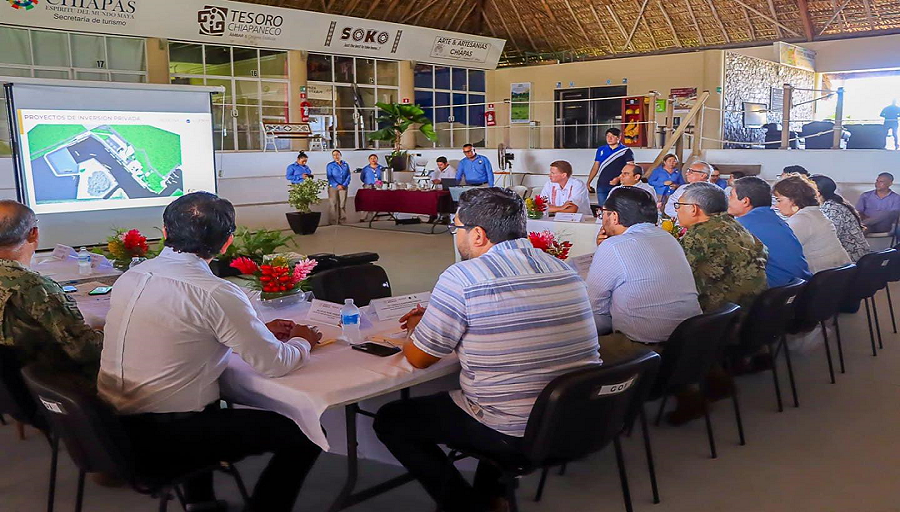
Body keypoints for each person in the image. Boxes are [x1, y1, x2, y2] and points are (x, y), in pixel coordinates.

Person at [373, 188, 600, 512]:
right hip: (577, 420)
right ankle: (494, 496)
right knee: (499, 397)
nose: (457, 237)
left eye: (457, 228)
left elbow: (419, 358)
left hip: (516, 433)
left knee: (392, 420)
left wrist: (415, 328)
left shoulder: (463, 277)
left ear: (478, 234)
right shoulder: (563, 269)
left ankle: (466, 506)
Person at [98, 192, 323, 512]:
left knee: (202, 399)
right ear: (227, 243)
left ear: (164, 232)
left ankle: (200, 501)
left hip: (111, 426)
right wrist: (303, 340)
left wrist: (254, 332)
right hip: (164, 436)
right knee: (306, 434)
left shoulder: (133, 276)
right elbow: (275, 364)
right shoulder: (216, 292)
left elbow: (183, 333)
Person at [587, 187, 702, 363]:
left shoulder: (614, 246)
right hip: (687, 344)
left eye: (603, 213)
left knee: (569, 347)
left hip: (643, 350)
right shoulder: (667, 238)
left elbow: (595, 313)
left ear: (615, 217)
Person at [0, 200, 102, 387]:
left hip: (13, 391)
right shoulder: (35, 288)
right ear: (33, 233)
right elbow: (83, 350)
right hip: (54, 388)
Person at [676, 182, 767, 312]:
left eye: (679, 205)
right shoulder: (733, 224)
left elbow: (680, 279)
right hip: (753, 309)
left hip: (724, 314)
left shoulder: (699, 234)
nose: (677, 210)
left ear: (693, 209)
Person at [728, 176, 812, 287]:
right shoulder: (775, 219)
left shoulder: (741, 226)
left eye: (731, 196)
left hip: (776, 294)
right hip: (799, 288)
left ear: (745, 201)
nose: (728, 200)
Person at [772, 176, 851, 273]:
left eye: (779, 200)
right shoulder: (815, 213)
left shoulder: (801, 219)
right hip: (839, 276)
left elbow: (778, 251)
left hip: (820, 280)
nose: (776, 205)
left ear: (794, 200)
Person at [810, 175, 870, 262]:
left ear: (817, 193)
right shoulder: (828, 204)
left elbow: (829, 238)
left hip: (851, 259)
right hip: (842, 258)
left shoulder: (833, 209)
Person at [586, 128, 635, 206]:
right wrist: (588, 181)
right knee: (603, 208)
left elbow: (630, 167)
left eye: (613, 136)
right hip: (602, 184)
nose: (609, 138)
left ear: (619, 137)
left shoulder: (626, 151)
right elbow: (595, 167)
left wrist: (618, 178)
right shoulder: (601, 150)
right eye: (608, 136)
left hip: (618, 185)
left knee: (616, 208)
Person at [326, 149, 351, 224]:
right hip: (333, 187)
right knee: (333, 204)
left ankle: (342, 220)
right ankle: (332, 221)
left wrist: (344, 184)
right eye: (334, 155)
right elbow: (329, 176)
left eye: (337, 154)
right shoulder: (330, 165)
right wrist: (337, 185)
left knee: (342, 204)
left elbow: (348, 175)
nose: (336, 156)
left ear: (340, 155)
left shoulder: (345, 164)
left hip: (343, 186)